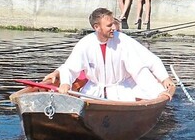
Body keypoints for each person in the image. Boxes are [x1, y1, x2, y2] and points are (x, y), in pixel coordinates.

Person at [42, 8, 176, 101]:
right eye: (109, 25)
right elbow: (70, 67)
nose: (113, 28)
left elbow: (146, 62)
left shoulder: (123, 40)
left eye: (113, 24)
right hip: (93, 93)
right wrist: (65, 83)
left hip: (122, 91)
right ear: (97, 27)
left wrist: (164, 78)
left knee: (141, 75)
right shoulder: (85, 44)